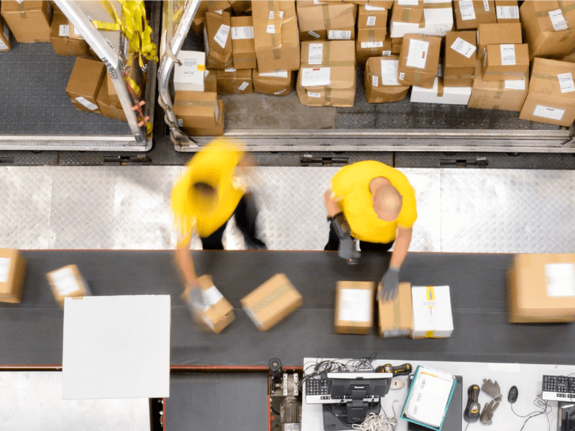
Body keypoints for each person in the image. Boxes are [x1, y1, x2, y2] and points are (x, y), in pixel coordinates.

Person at [171, 138, 265, 316]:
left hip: (235, 200)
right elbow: (181, 248)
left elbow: (243, 156)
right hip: (211, 226)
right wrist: (192, 285)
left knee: (248, 224)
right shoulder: (180, 202)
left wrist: (250, 177)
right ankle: (218, 265)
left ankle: (252, 240)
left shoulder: (218, 154)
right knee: (213, 247)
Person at [324, 160, 417, 301]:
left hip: (379, 237)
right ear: (372, 200)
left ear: (402, 199)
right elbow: (330, 199)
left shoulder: (406, 194)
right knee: (334, 257)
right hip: (345, 224)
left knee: (372, 266)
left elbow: (404, 233)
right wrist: (344, 236)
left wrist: (394, 269)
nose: (379, 219)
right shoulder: (349, 178)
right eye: (379, 216)